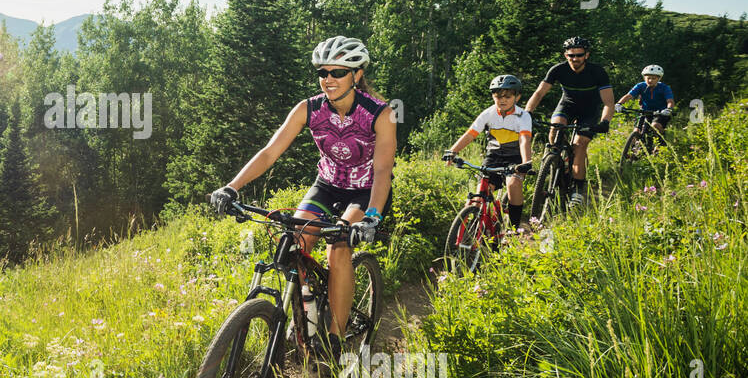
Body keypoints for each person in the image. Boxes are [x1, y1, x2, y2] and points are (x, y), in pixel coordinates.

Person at [209, 35, 396, 339]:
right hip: (327, 185)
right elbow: (270, 152)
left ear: (357, 75)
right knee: (295, 242)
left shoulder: (380, 114)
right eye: (323, 72)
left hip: (366, 190)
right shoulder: (308, 109)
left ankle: (335, 337)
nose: (329, 79)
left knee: (338, 246)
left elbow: (383, 168)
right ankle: (306, 304)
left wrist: (373, 215)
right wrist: (232, 187)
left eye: (338, 72)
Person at [524, 36, 615, 206]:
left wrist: (605, 122)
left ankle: (578, 189)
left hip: (589, 110)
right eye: (570, 55)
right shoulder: (558, 69)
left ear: (586, 55)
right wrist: (528, 111)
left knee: (579, 146)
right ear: (565, 55)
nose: (575, 59)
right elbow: (539, 93)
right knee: (555, 131)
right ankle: (559, 162)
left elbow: (609, 102)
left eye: (579, 55)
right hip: (567, 104)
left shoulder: (597, 72)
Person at [442, 74, 535, 231]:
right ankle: (474, 226)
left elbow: (524, 140)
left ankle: (514, 229)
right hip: (493, 156)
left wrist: (526, 162)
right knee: (479, 196)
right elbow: (471, 134)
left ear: (517, 97)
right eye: (498, 96)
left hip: (515, 157)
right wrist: (453, 151)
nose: (502, 100)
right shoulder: (489, 113)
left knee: (513, 184)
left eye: (507, 96)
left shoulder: (523, 115)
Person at [619, 64, 675, 139]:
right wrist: (619, 104)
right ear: (644, 78)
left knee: (655, 126)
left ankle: (661, 143)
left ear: (659, 79)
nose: (650, 80)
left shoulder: (664, 88)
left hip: (660, 113)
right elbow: (628, 96)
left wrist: (669, 109)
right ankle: (633, 149)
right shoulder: (640, 86)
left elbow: (670, 101)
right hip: (644, 111)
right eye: (648, 78)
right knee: (636, 132)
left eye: (653, 78)